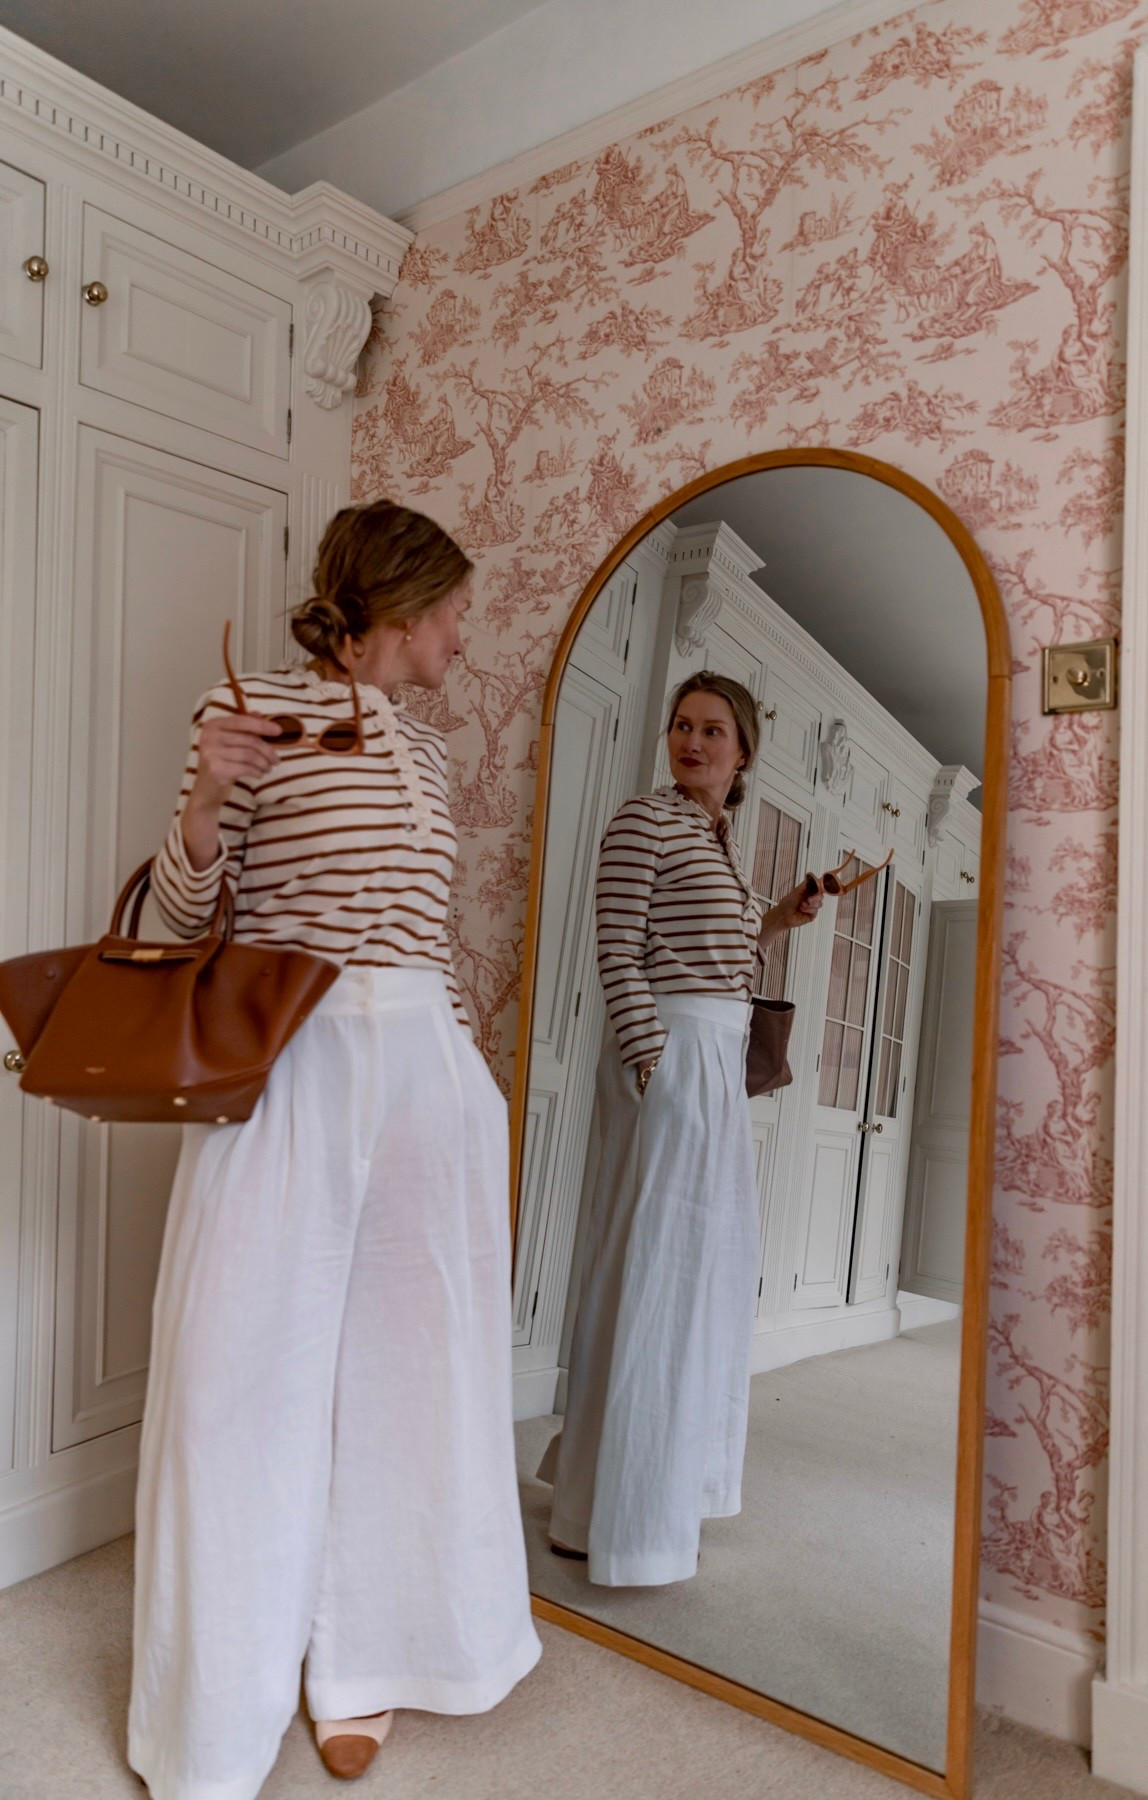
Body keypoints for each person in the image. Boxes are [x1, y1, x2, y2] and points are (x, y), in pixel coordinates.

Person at [128, 500, 541, 1798]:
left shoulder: (425, 749)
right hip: (295, 1057)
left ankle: (363, 1659)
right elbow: (184, 918)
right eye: (457, 610)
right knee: (242, 1373)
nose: (465, 635)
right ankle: (218, 1703)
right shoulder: (250, 707)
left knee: (409, 1375)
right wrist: (208, 796)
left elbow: (426, 929)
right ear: (404, 605)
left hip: (426, 1072)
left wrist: (471, 1079)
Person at [538, 672, 823, 1586]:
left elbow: (722, 956)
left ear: (742, 754)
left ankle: (629, 1488)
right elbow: (617, 947)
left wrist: (776, 920)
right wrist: (651, 1064)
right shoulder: (643, 821)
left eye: (712, 731)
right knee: (652, 1269)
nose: (692, 743)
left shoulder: (719, 839)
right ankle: (612, 1513)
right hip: (670, 1058)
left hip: (713, 1062)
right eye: (682, 726)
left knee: (693, 1274)